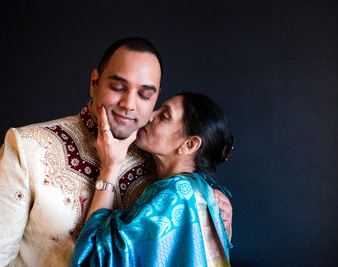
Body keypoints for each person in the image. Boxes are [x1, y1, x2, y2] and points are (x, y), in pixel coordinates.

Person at [0, 37, 232, 266]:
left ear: (156, 96)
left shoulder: (162, 163)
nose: (129, 104)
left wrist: (221, 221)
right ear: (94, 83)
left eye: (144, 95)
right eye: (118, 87)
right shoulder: (27, 147)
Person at [71, 92, 233, 266]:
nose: (150, 116)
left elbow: (97, 258)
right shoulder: (200, 193)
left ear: (189, 144)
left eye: (164, 116)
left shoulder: (177, 192)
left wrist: (109, 169)